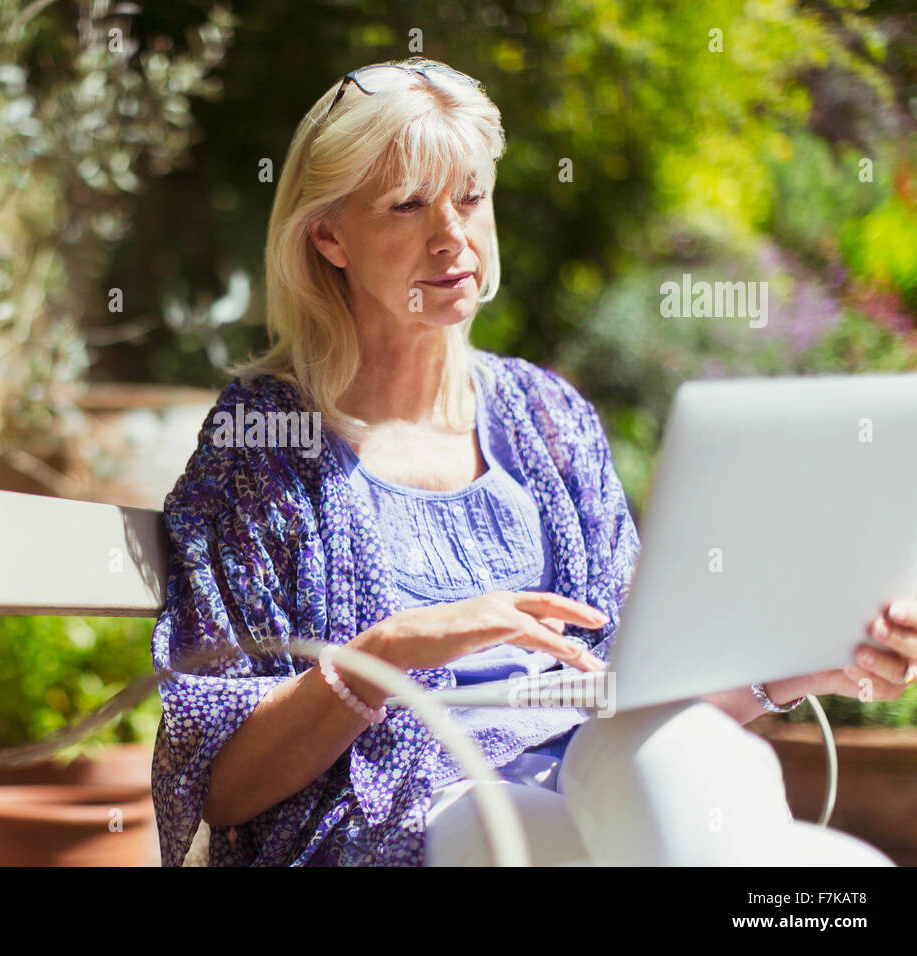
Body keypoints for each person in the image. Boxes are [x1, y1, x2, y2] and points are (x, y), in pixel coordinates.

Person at [149, 56, 917, 867]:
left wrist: (801, 663)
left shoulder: (547, 418)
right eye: (408, 206)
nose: (452, 237)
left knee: (779, 830)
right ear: (329, 236)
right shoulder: (265, 444)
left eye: (471, 198)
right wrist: (389, 655)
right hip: (402, 818)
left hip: (599, 781)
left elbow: (637, 688)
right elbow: (222, 782)